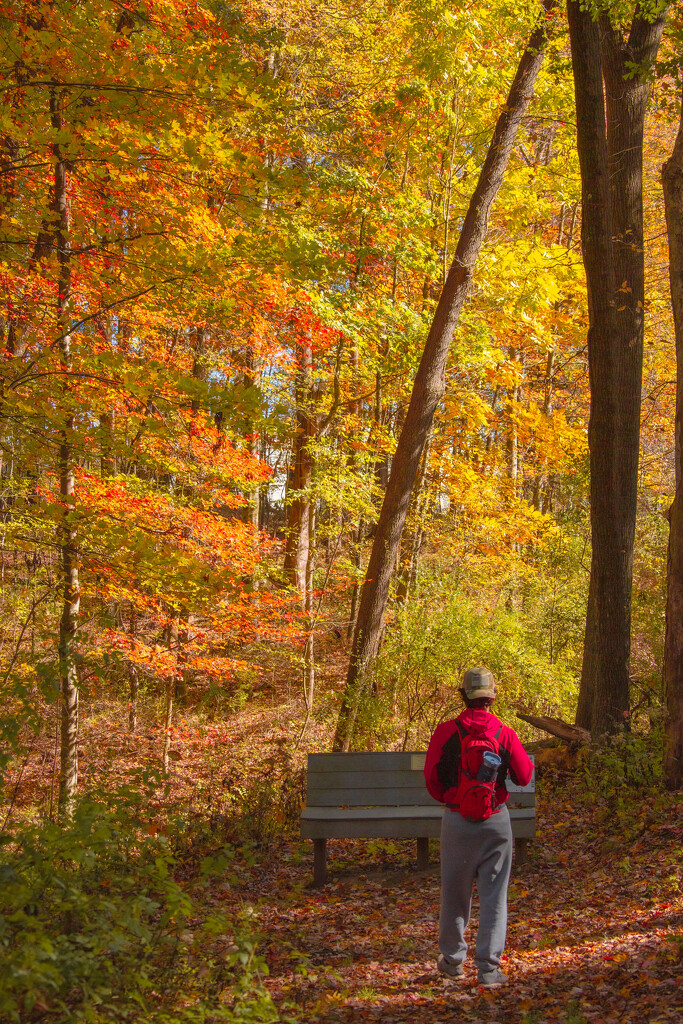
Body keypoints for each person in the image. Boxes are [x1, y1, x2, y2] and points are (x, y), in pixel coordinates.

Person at [424, 666, 533, 988]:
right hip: (496, 821)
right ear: (492, 697)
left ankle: (453, 962)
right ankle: (488, 969)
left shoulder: (446, 731)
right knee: (494, 896)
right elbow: (525, 776)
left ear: (464, 695)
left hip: (457, 821)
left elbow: (431, 778)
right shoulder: (504, 732)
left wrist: (451, 798)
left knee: (454, 895)